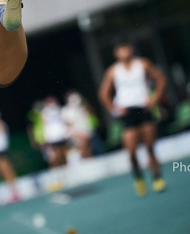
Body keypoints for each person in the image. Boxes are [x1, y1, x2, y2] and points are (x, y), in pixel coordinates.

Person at [98, 42, 167, 197]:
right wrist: (114, 109)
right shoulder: (113, 71)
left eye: (126, 47)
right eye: (120, 48)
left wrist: (154, 99)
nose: (124, 51)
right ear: (116, 52)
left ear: (131, 49)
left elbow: (160, 79)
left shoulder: (142, 64)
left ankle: (157, 178)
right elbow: (103, 94)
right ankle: (139, 179)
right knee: (131, 151)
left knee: (150, 147)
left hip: (144, 108)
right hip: (127, 113)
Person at [61, 91, 94, 159]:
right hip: (77, 136)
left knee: (89, 152)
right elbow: (69, 127)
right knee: (82, 152)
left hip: (86, 135)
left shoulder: (82, 108)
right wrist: (80, 136)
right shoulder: (66, 111)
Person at [40, 97, 69, 168]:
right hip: (52, 138)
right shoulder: (45, 112)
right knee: (56, 156)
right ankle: (54, 172)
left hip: (61, 136)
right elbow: (44, 125)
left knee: (64, 154)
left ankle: (64, 170)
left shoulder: (59, 109)